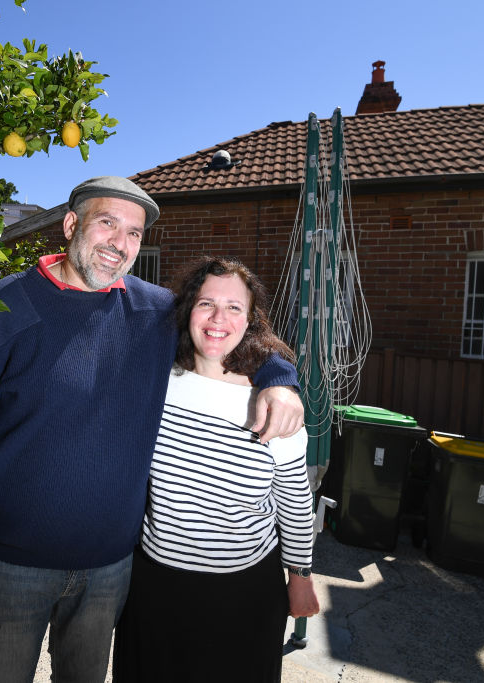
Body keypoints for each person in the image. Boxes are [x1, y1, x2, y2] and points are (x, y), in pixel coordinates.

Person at [0, 176, 306, 682]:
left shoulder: (153, 312)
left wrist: (281, 379)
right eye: (107, 223)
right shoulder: (3, 308)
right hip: (9, 565)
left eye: (135, 233)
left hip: (109, 569)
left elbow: (229, 329)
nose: (119, 244)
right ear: (71, 224)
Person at [112, 256, 320, 683]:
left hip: (242, 595)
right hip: (154, 588)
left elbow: (295, 503)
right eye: (206, 303)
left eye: (234, 307)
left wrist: (300, 577)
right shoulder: (156, 380)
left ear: (251, 320)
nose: (218, 318)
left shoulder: (275, 402)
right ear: (188, 309)